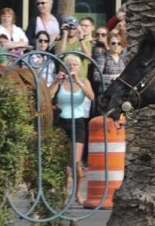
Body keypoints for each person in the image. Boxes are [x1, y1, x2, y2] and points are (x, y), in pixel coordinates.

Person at [49, 54, 95, 204]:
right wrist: (56, 82)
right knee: (61, 161)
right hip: (62, 122)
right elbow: (48, 96)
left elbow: (92, 96)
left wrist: (78, 83)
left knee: (76, 163)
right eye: (69, 64)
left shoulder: (83, 80)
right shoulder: (61, 81)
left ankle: (77, 194)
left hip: (78, 122)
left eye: (75, 64)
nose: (72, 67)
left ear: (79, 67)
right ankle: (62, 194)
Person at [93, 32, 126, 97]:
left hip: (120, 91)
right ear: (108, 44)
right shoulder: (102, 57)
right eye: (113, 43)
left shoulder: (123, 58)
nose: (116, 45)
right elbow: (96, 76)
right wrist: (113, 77)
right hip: (106, 91)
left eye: (119, 43)